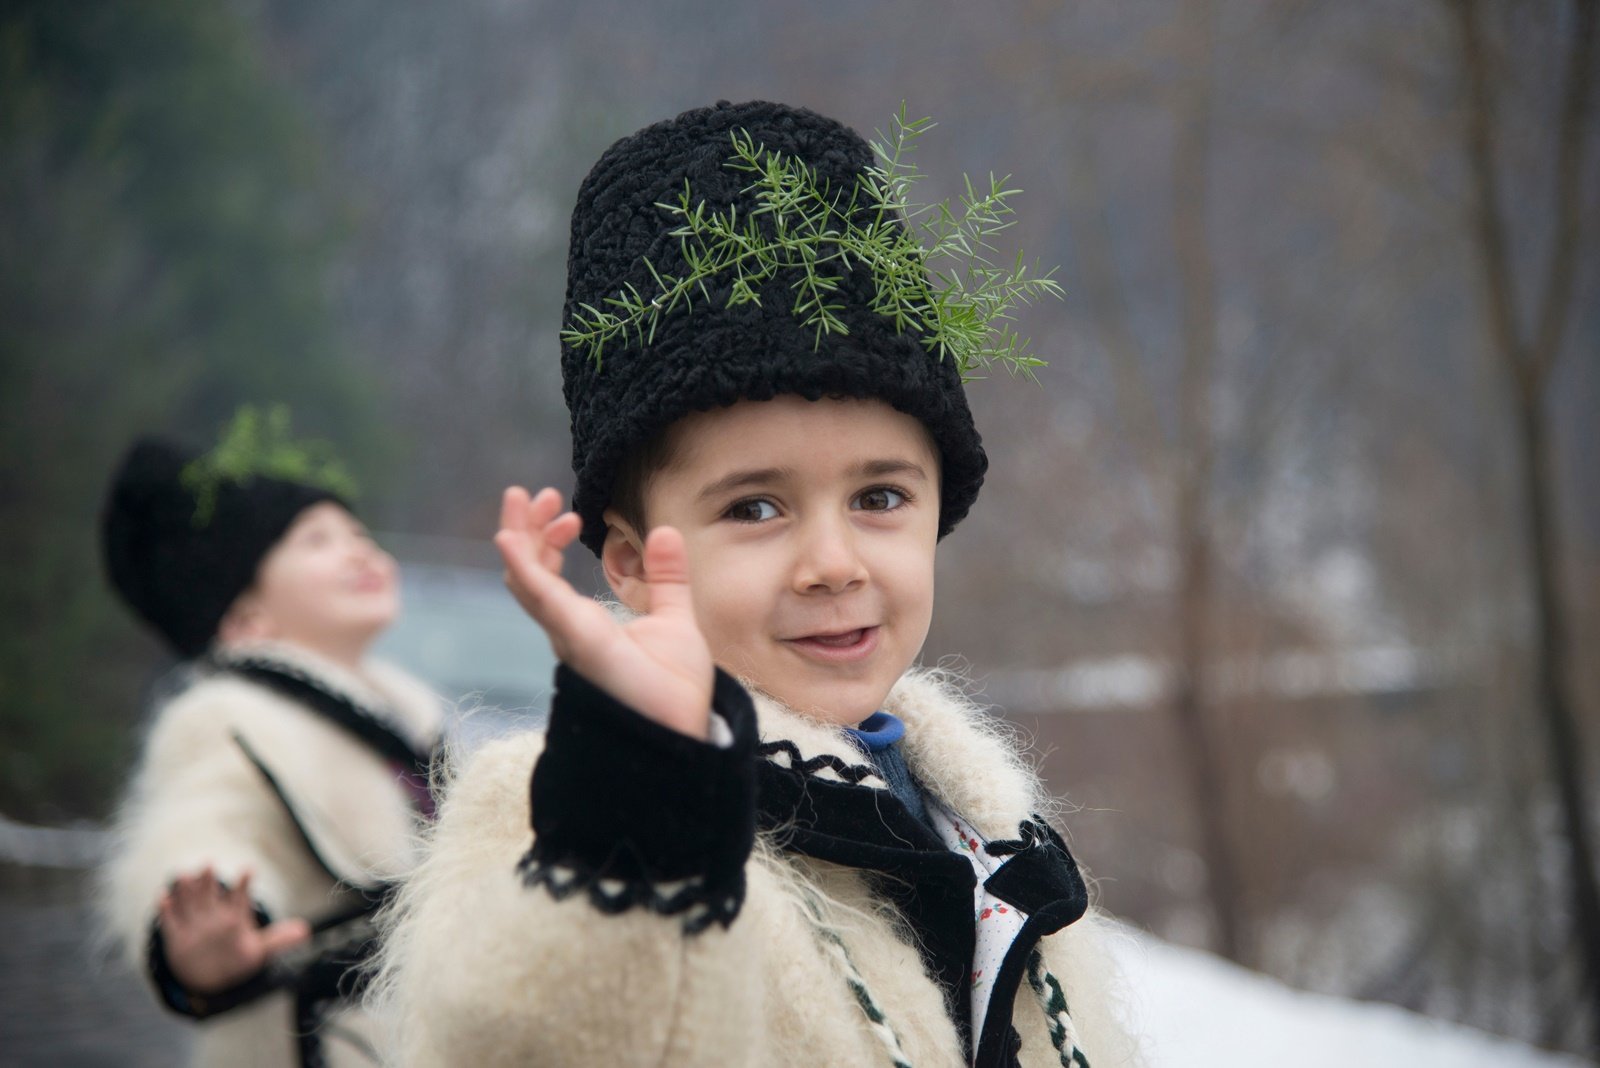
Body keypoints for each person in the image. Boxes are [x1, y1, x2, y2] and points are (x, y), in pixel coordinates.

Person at [376, 101, 1140, 1066]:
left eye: (879, 495)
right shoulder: (566, 816)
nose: (833, 563)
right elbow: (538, 1032)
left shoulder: (979, 820)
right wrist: (638, 789)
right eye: (754, 509)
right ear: (627, 562)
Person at [96, 411, 443, 1068]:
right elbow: (202, 825)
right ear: (245, 616)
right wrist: (214, 919)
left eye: (360, 534)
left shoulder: (402, 715)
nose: (360, 551)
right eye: (316, 541)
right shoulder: (227, 715)